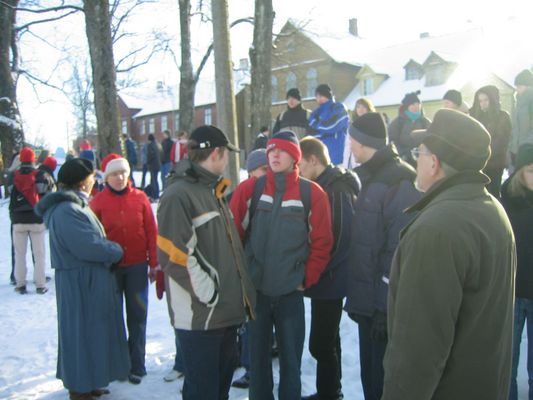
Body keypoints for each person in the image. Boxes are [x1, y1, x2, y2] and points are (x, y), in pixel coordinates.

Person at [381, 109, 516, 400]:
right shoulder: (491, 207)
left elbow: (417, 351)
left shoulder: (436, 229)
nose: (414, 159)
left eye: (419, 152)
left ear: (434, 162)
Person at [230, 130, 333, 400]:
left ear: (295, 156)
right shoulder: (250, 189)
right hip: (258, 295)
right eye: (271, 150)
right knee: (259, 364)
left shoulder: (313, 194)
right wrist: (242, 279)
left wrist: (305, 278)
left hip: (290, 294)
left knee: (291, 364)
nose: (274, 154)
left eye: (282, 150)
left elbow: (322, 243)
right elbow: (231, 237)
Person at [157, 125, 256, 400]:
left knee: (218, 392)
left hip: (223, 315)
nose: (228, 161)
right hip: (201, 319)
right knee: (203, 393)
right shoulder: (179, 195)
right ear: (216, 153)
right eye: (226, 155)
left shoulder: (212, 190)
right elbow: (173, 255)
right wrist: (209, 293)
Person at [35, 158, 130, 400]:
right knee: (80, 334)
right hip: (79, 282)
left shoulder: (74, 205)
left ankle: (91, 379)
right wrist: (115, 250)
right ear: (81, 181)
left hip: (87, 280)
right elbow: (86, 245)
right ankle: (80, 386)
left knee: (93, 333)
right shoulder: (67, 210)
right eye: (91, 178)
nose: (93, 182)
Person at [345, 113, 420, 400]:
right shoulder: (372, 176)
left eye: (352, 141)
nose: (350, 147)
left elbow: (397, 251)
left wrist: (382, 308)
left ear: (365, 143)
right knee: (371, 382)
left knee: (384, 385)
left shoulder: (398, 181)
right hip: (371, 306)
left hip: (385, 310)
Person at [299, 136, 360, 400]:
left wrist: (317, 270)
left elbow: (339, 238)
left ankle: (330, 393)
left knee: (321, 343)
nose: (298, 171)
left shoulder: (335, 189)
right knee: (329, 339)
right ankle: (330, 391)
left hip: (331, 276)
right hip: (325, 275)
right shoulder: (322, 185)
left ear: (313, 160)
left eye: (300, 164)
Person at [90, 153, 158, 385]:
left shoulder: (140, 198)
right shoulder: (98, 201)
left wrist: (154, 262)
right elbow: (92, 236)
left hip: (138, 266)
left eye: (123, 173)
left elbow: (151, 230)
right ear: (106, 177)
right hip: (111, 269)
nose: (120, 178)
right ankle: (118, 364)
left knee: (137, 316)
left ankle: (137, 364)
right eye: (115, 174)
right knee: (113, 317)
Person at [229, 148, 268, 390]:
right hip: (248, 268)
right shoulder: (241, 193)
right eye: (263, 169)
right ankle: (250, 366)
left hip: (268, 270)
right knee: (249, 321)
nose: (268, 173)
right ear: (251, 171)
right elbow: (234, 232)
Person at [500, 144, 533, 400]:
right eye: (532, 170)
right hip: (511, 292)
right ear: (520, 171)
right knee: (506, 364)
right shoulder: (505, 202)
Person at [10, 147, 54, 294]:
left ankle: (20, 284)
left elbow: (10, 193)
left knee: (19, 253)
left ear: (21, 159)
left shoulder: (13, 176)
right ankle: (40, 284)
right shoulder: (41, 175)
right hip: (36, 219)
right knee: (39, 253)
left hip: (18, 220)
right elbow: (50, 195)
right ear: (33, 159)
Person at [469, 85, 512, 197]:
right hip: (479, 166)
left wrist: (482, 153)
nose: (482, 103)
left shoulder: (502, 117)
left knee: (493, 195)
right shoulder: (476, 117)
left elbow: (501, 142)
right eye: (480, 100)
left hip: (495, 164)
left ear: (493, 99)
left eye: (486, 100)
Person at [308, 84, 350, 166]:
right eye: (317, 96)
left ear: (327, 95)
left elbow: (333, 126)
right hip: (321, 157)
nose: (318, 98)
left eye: (320, 95)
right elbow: (312, 131)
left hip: (338, 156)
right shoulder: (316, 112)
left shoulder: (338, 107)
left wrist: (318, 126)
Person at [388, 90, 431, 166]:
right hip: (404, 161)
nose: (416, 106)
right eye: (413, 104)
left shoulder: (426, 122)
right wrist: (405, 154)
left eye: (418, 104)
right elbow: (392, 143)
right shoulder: (398, 123)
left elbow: (432, 140)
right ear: (407, 106)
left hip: (423, 161)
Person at [510, 69, 533, 167]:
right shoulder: (518, 104)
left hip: (528, 152)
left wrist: (525, 148)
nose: (517, 90)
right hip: (517, 152)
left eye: (519, 86)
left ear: (528, 87)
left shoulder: (530, 103)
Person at [345, 97, 376, 169]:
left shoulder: (373, 124)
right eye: (358, 107)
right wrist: (346, 165)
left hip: (369, 161)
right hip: (353, 162)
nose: (360, 109)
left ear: (368, 108)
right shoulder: (352, 126)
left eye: (363, 107)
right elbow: (347, 146)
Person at [146, 133, 161, 200]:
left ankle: (154, 195)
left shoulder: (150, 145)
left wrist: (148, 162)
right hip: (157, 164)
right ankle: (157, 194)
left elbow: (150, 155)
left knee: (153, 180)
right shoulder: (157, 145)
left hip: (153, 165)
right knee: (156, 179)